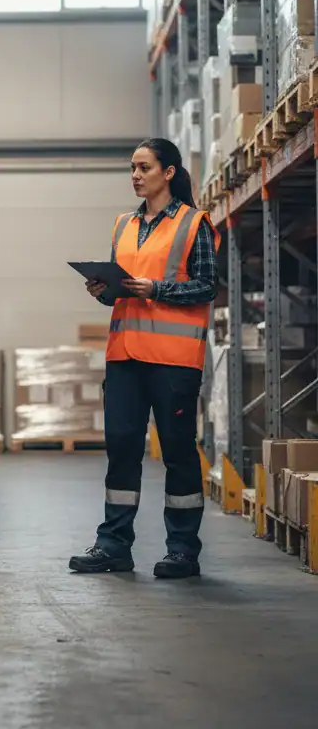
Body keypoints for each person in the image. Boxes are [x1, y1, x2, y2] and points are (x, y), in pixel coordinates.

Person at [69, 137, 219, 580]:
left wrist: (157, 289)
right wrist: (104, 290)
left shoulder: (194, 224)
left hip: (173, 360)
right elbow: (123, 293)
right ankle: (113, 545)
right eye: (132, 168)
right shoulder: (123, 225)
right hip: (125, 358)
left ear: (168, 173)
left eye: (144, 168)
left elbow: (208, 286)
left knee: (176, 451)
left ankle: (182, 550)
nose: (135, 175)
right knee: (121, 449)